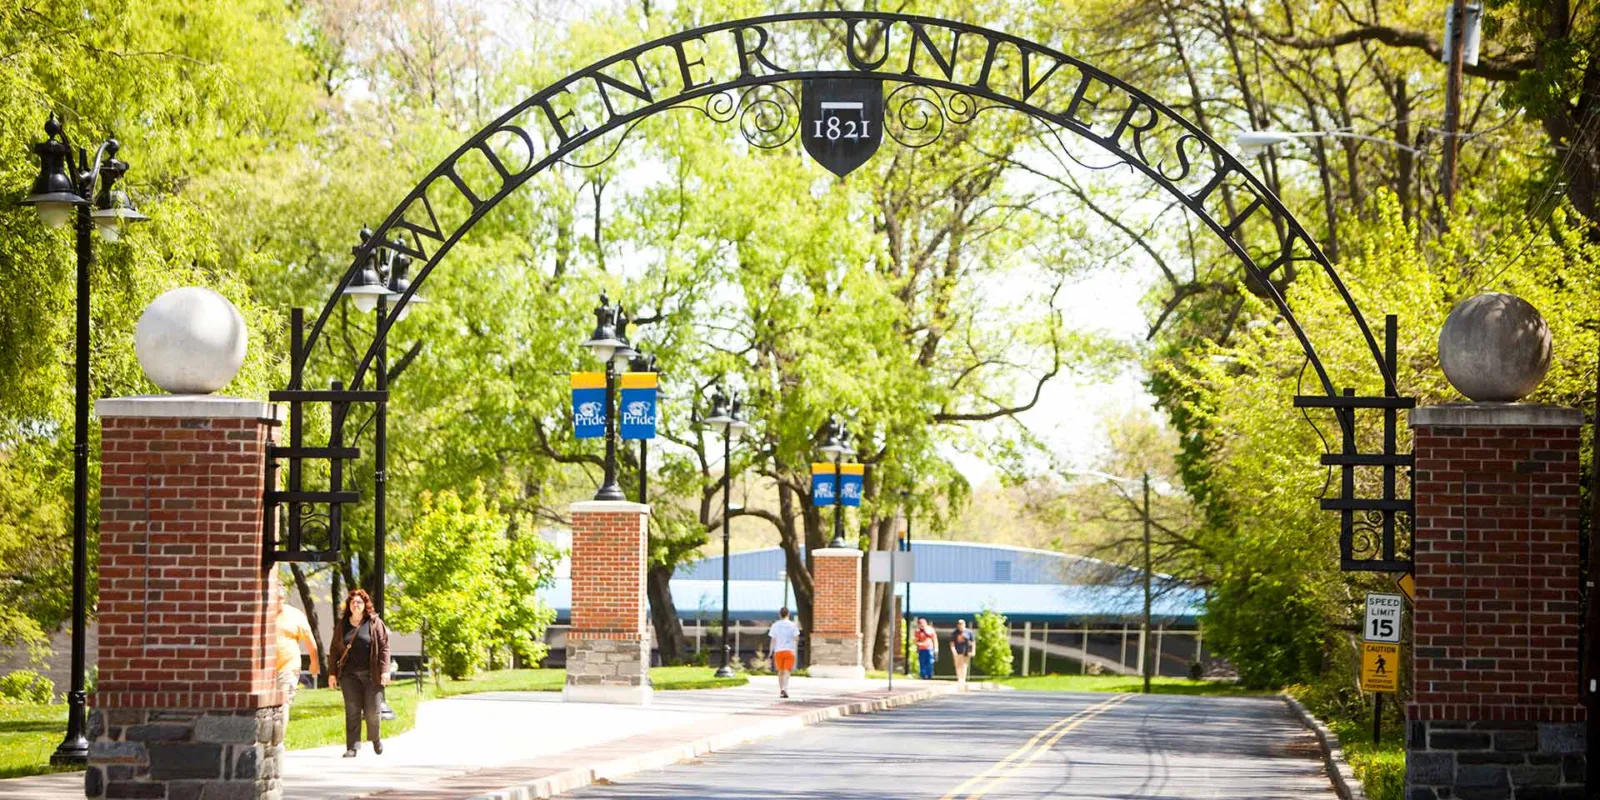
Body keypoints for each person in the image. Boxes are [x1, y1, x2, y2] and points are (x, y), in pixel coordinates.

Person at [327, 589, 391, 757]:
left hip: (372, 675)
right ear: (349, 605)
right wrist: (332, 673)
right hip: (349, 675)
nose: (356, 605)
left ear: (365, 605)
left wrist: (385, 671)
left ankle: (375, 738)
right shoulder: (342, 625)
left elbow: (384, 648)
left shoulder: (374, 623)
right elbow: (334, 650)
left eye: (360, 602)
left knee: (372, 712)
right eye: (353, 602)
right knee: (352, 710)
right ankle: (352, 747)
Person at [274, 582, 320, 726]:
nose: (278, 599)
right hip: (266, 670)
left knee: (283, 703)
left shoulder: (295, 615)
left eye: (280, 596)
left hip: (288, 666)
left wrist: (314, 662)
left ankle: (277, 743)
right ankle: (266, 742)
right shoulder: (263, 613)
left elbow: (309, 640)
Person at [767, 606, 800, 699]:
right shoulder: (793, 625)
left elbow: (773, 640)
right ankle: (785, 688)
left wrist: (770, 652)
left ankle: (781, 689)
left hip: (778, 651)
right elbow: (797, 638)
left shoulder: (775, 625)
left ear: (779, 615)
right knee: (787, 671)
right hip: (789, 651)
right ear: (788, 614)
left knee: (780, 671)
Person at [949, 619, 974, 685]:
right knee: (958, 665)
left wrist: (973, 651)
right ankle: (959, 678)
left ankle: (963, 679)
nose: (961, 625)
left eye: (962, 624)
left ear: (964, 624)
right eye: (959, 624)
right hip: (957, 651)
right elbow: (952, 643)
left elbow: (973, 642)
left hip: (966, 651)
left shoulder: (969, 632)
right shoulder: (955, 633)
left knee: (964, 665)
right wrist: (953, 651)